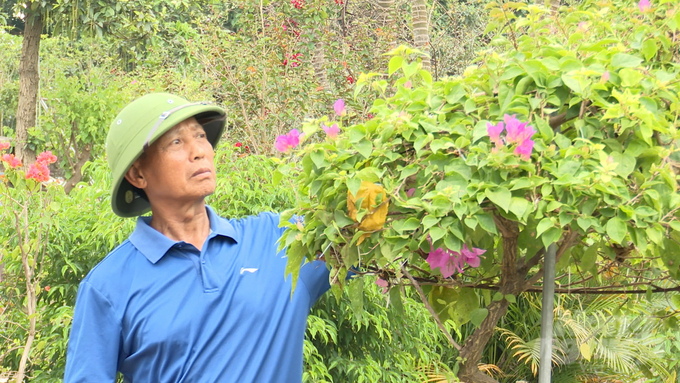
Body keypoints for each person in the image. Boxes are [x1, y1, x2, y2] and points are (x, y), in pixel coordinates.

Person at [63, 93, 331, 382]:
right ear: (138, 174)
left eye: (201, 135)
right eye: (176, 142)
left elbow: (367, 230)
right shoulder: (108, 285)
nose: (200, 150)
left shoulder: (280, 238)